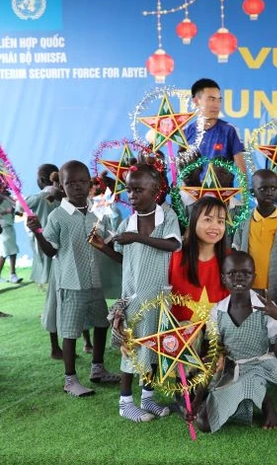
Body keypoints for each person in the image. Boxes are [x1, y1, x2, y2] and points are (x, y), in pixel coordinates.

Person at [89, 164, 182, 421]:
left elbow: (173, 244)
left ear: (155, 190)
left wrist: (137, 238)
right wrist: (102, 247)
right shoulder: (127, 222)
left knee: (152, 349)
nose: (131, 195)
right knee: (132, 350)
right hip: (134, 297)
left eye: (138, 190)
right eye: (129, 190)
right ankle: (125, 401)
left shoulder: (167, 216)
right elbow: (124, 259)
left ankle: (148, 398)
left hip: (158, 296)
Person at [26, 160, 119, 397]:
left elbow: (109, 240)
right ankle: (70, 380)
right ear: (62, 187)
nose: (77, 186)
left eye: (82, 181)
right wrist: (38, 233)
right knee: (69, 332)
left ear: (89, 183)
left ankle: (97, 369)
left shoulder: (98, 211)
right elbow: (51, 250)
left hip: (94, 281)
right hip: (70, 283)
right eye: (70, 183)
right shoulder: (58, 216)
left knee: (101, 324)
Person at [188, 251, 277, 432]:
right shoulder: (218, 312)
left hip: (260, 368)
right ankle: (246, 397)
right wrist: (197, 400)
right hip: (231, 368)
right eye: (232, 273)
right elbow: (214, 355)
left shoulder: (266, 309)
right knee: (204, 424)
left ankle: (266, 403)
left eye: (246, 273)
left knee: (249, 382)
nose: (239, 277)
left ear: (254, 277)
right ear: (223, 278)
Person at [233, 170, 277, 307]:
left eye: (273, 188)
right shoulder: (244, 221)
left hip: (276, 290)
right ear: (253, 192)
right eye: (263, 189)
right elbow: (236, 252)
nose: (269, 192)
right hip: (248, 288)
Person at [169, 196, 230, 323]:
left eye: (220, 221)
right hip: (178, 335)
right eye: (208, 219)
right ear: (194, 221)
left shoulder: (231, 260)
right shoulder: (175, 255)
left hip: (218, 335)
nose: (215, 227)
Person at [185, 78, 246, 176]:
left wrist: (245, 191)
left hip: (222, 190)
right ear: (196, 101)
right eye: (211, 99)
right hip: (192, 191)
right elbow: (182, 172)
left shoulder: (230, 131)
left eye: (219, 100)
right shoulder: (186, 132)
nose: (216, 105)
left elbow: (242, 171)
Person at [20, 163, 60, 288]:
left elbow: (21, 206)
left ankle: (48, 282)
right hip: (59, 234)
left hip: (43, 235)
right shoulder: (61, 195)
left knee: (45, 260)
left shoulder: (38, 197)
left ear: (41, 180)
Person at [0, 190, 20, 283]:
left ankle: (13, 274)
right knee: (7, 252)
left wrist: (6, 197)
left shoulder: (6, 197)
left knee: (9, 252)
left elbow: (17, 206)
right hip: (2, 228)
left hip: (10, 226)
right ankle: (13, 274)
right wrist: (5, 211)